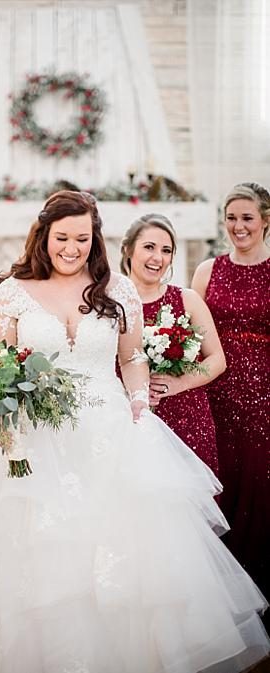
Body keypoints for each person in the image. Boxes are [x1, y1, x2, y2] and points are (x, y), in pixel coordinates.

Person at [0, 190, 268, 673]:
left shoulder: (118, 290)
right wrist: (7, 427)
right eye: (62, 238)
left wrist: (137, 400)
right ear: (44, 236)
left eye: (82, 239)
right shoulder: (12, 292)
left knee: (121, 555)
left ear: (97, 240)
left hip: (110, 429)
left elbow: (131, 358)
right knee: (46, 557)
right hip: (40, 438)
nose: (71, 248)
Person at [192, 182, 270, 623]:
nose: (238, 226)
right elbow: (188, 333)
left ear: (264, 221)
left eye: (247, 217)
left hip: (263, 400)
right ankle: (219, 606)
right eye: (231, 217)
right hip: (215, 394)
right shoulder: (207, 271)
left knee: (259, 488)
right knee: (219, 486)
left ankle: (259, 599)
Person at [119, 213, 225, 473]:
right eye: (149, 247)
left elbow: (217, 360)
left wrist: (179, 383)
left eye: (166, 250)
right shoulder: (111, 304)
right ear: (128, 250)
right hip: (127, 418)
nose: (158, 258)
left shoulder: (187, 300)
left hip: (187, 418)